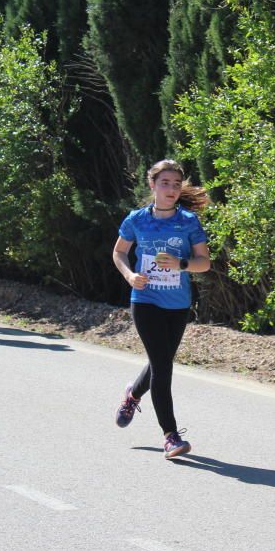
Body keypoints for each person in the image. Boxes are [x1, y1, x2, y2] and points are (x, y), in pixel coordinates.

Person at [112, 159, 211, 459]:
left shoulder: (189, 222)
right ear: (152, 185)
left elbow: (204, 263)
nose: (171, 189)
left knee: (161, 360)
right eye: (165, 183)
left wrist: (181, 264)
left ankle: (132, 394)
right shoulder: (137, 220)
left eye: (176, 184)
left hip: (178, 303)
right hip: (145, 302)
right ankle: (170, 436)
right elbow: (119, 252)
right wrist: (130, 276)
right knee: (163, 367)